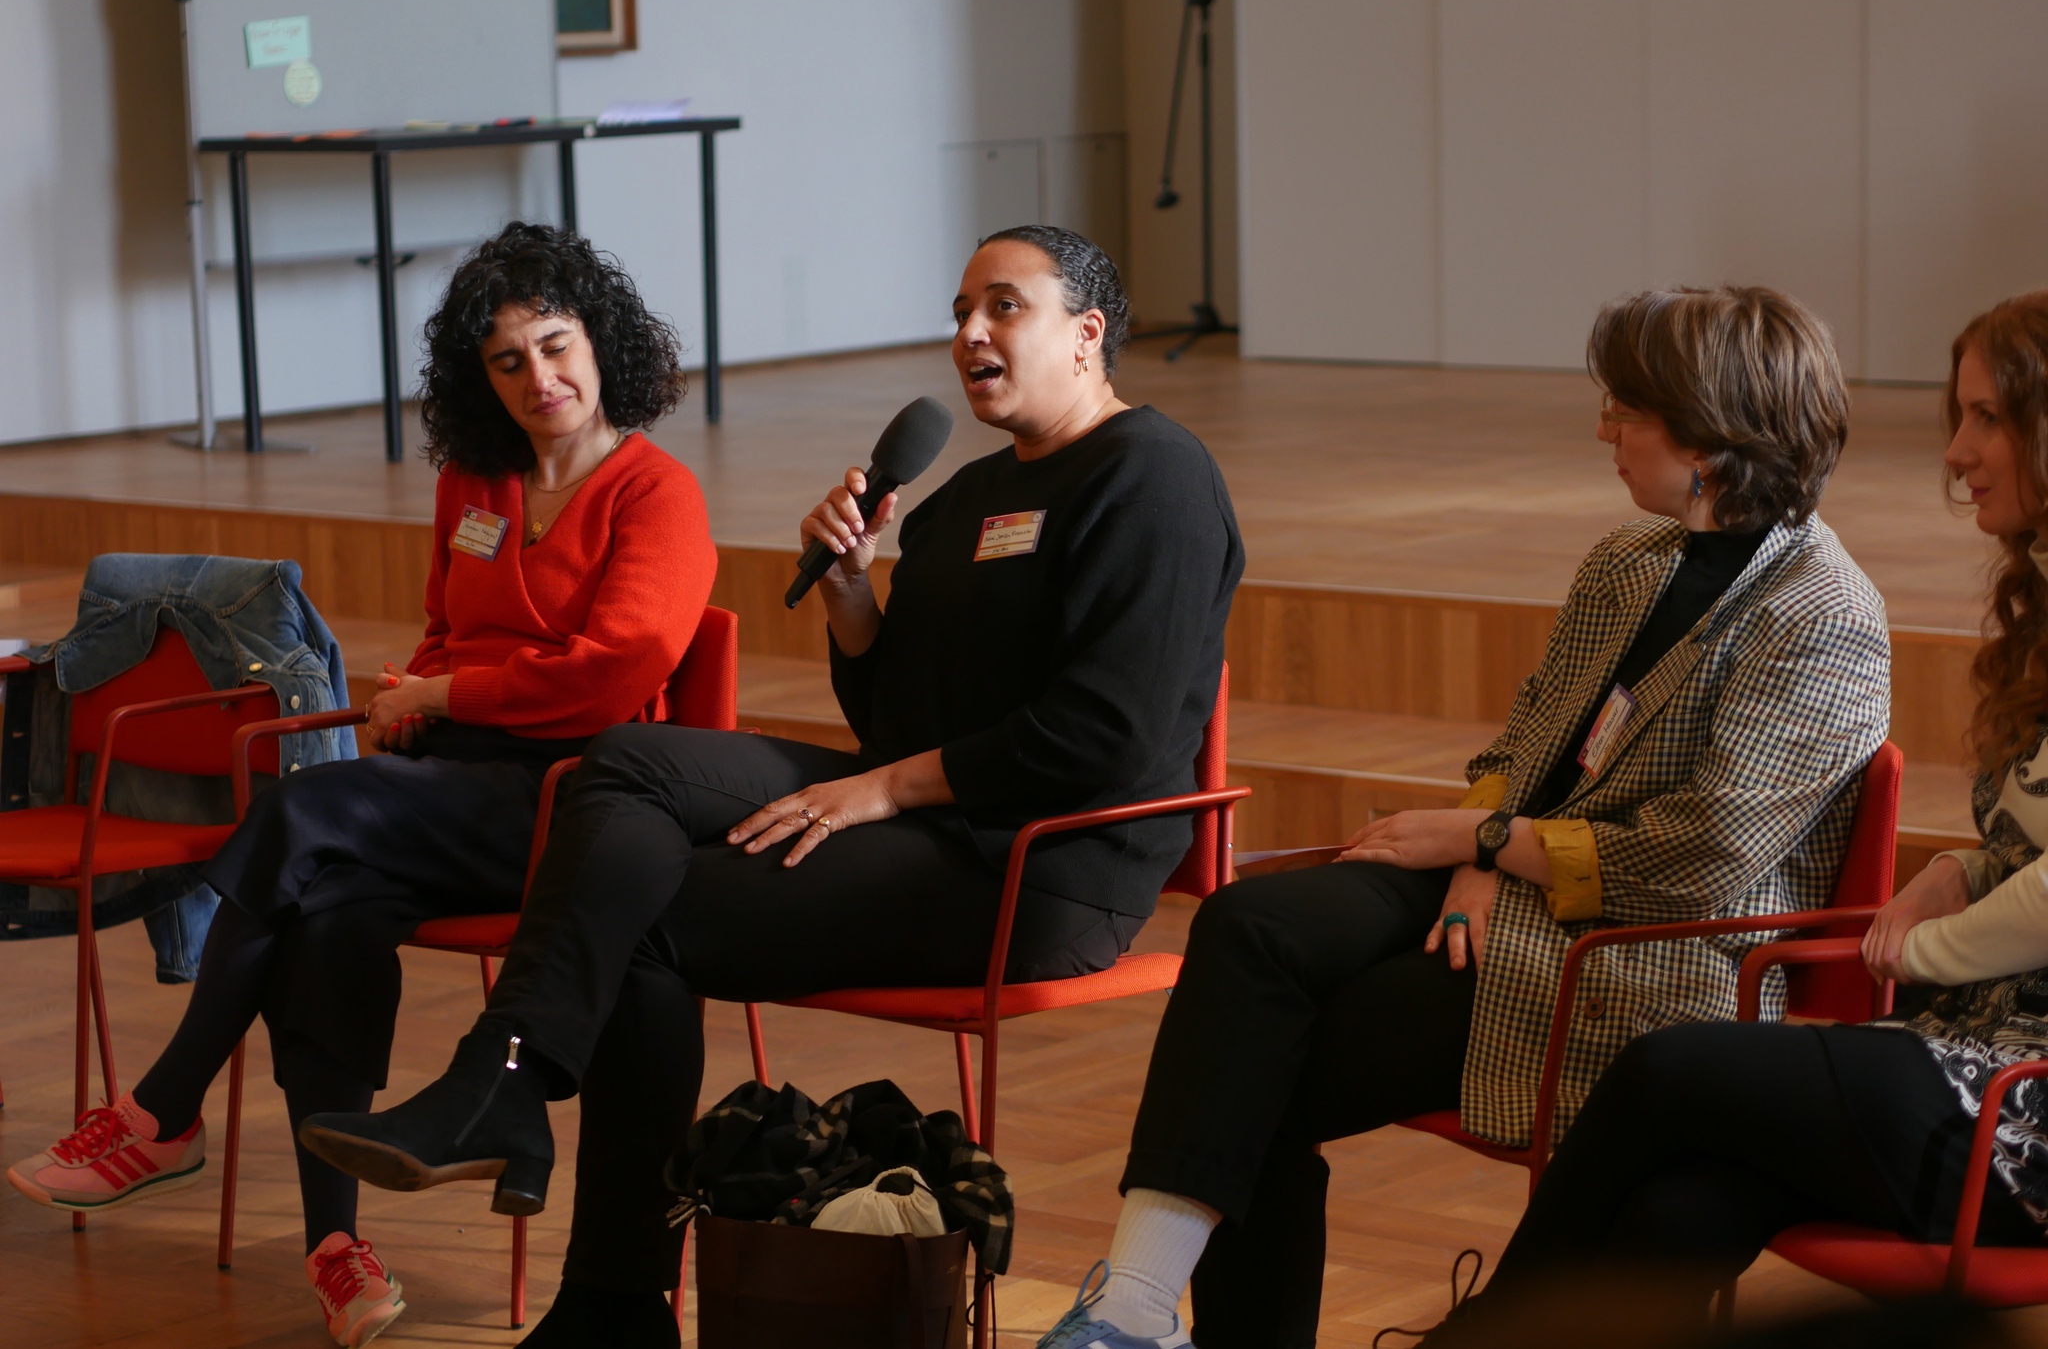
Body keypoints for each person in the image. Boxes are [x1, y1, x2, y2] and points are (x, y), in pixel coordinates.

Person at [296, 223, 1246, 1347]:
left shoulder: (1154, 474)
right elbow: (897, 719)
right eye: (959, 311)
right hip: (935, 811)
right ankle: (508, 1099)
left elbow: (1108, 733)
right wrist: (849, 593)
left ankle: (595, 1277)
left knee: (640, 918)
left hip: (1043, 866)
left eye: (1003, 306)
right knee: (630, 759)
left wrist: (885, 791)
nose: (969, 333)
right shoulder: (961, 500)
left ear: (1085, 333)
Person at [1034, 285, 1893, 1349]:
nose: (1603, 429)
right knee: (1244, 927)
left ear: (1711, 434)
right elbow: (1520, 744)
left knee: (1254, 1077)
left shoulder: (1822, 613)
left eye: (1626, 408)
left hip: (1636, 947)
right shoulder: (1629, 560)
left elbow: (1705, 856)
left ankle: (1136, 1306)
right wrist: (1479, 854)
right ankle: (1134, 1305)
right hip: (1512, 877)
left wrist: (1487, 840)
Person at [7, 222, 715, 1349]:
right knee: (324, 913)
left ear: (601, 340)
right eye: (508, 361)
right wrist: (419, 692)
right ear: (479, 378)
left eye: (555, 345)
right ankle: (335, 1250)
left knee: (299, 810)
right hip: (447, 783)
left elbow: (613, 673)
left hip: (576, 801)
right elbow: (444, 629)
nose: (539, 378)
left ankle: (163, 1108)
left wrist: (445, 694)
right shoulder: (474, 481)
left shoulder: (656, 493)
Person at [1415, 292, 2048, 1340]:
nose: (1953, 449)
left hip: (2023, 1094)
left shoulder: (1820, 605)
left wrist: (1929, 944)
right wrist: (1963, 869)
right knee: (1684, 1205)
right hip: (1973, 1041)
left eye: (1988, 417)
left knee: (1670, 1067)